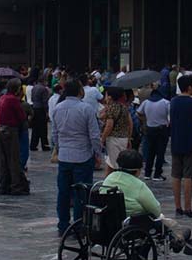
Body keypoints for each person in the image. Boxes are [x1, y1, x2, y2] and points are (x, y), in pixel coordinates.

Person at [103, 149, 192, 254]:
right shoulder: (138, 185)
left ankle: (177, 237)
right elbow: (156, 209)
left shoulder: (109, 178)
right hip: (133, 225)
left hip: (108, 223)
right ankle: (177, 240)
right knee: (159, 222)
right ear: (138, 170)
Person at [53, 80, 102, 236]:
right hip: (82, 156)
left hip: (65, 156)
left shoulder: (57, 108)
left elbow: (54, 134)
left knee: (63, 192)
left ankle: (63, 225)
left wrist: (60, 148)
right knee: (81, 194)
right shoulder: (86, 109)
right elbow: (94, 135)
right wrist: (98, 153)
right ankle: (79, 225)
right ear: (80, 91)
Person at [170, 74, 192, 217]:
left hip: (176, 141)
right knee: (188, 176)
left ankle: (177, 206)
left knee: (176, 175)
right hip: (190, 141)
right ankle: (188, 207)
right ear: (189, 87)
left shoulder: (173, 102)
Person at [0, 79, 30, 195]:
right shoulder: (13, 100)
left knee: (3, 160)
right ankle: (16, 186)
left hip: (1, 129)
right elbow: (21, 116)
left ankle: (3, 185)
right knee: (14, 160)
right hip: (11, 130)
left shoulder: (2, 98)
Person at [140, 85, 170, 181]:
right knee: (160, 152)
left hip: (150, 129)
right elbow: (170, 116)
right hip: (162, 129)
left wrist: (145, 120)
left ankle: (147, 173)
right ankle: (157, 173)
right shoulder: (166, 103)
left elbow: (139, 112)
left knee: (150, 152)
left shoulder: (146, 102)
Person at [100, 87, 133, 174]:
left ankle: (115, 182)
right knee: (112, 162)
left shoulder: (112, 108)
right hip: (124, 138)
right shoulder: (124, 107)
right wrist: (129, 137)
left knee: (116, 164)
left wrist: (102, 138)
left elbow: (109, 125)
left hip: (113, 139)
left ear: (110, 97)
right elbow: (130, 123)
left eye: (106, 95)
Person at [29, 76, 51, 151]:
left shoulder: (34, 88)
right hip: (41, 109)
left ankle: (33, 145)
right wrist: (47, 112)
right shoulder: (44, 89)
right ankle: (45, 145)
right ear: (43, 81)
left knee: (35, 129)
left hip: (34, 108)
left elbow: (32, 98)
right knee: (43, 128)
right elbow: (45, 102)